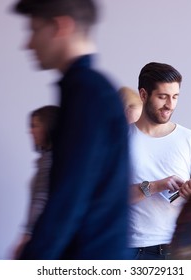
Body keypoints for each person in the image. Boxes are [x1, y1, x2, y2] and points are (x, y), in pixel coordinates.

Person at [13, 0, 130, 259]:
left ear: (60, 26)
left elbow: (70, 195)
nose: (28, 43)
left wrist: (31, 260)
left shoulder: (86, 91)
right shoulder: (91, 89)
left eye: (34, 30)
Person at [128, 62, 191, 260]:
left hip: (179, 249)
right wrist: (155, 186)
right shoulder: (118, 139)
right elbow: (109, 197)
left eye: (175, 97)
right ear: (144, 95)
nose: (170, 105)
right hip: (130, 250)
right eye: (162, 97)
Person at [12, 105, 59, 259]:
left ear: (48, 127)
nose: (30, 131)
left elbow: (41, 199)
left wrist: (28, 235)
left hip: (44, 236)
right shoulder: (48, 158)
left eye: (35, 125)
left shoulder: (50, 160)